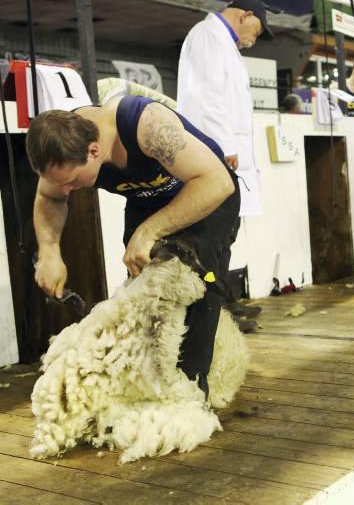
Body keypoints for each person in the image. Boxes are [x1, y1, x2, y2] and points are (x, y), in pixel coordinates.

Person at [26, 96, 241, 396]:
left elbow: (217, 182)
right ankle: (148, 386)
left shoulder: (145, 124)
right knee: (145, 295)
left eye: (72, 181)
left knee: (198, 284)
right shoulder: (62, 149)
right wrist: (49, 252)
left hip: (207, 193)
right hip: (147, 200)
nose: (66, 189)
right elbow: (50, 197)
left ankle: (190, 396)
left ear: (94, 151)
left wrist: (150, 230)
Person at [177, 0, 273, 173]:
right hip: (218, 154)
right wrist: (224, 146)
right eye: (256, 33)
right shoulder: (208, 34)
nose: (254, 41)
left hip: (228, 157)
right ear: (246, 16)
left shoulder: (222, 40)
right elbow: (205, 94)